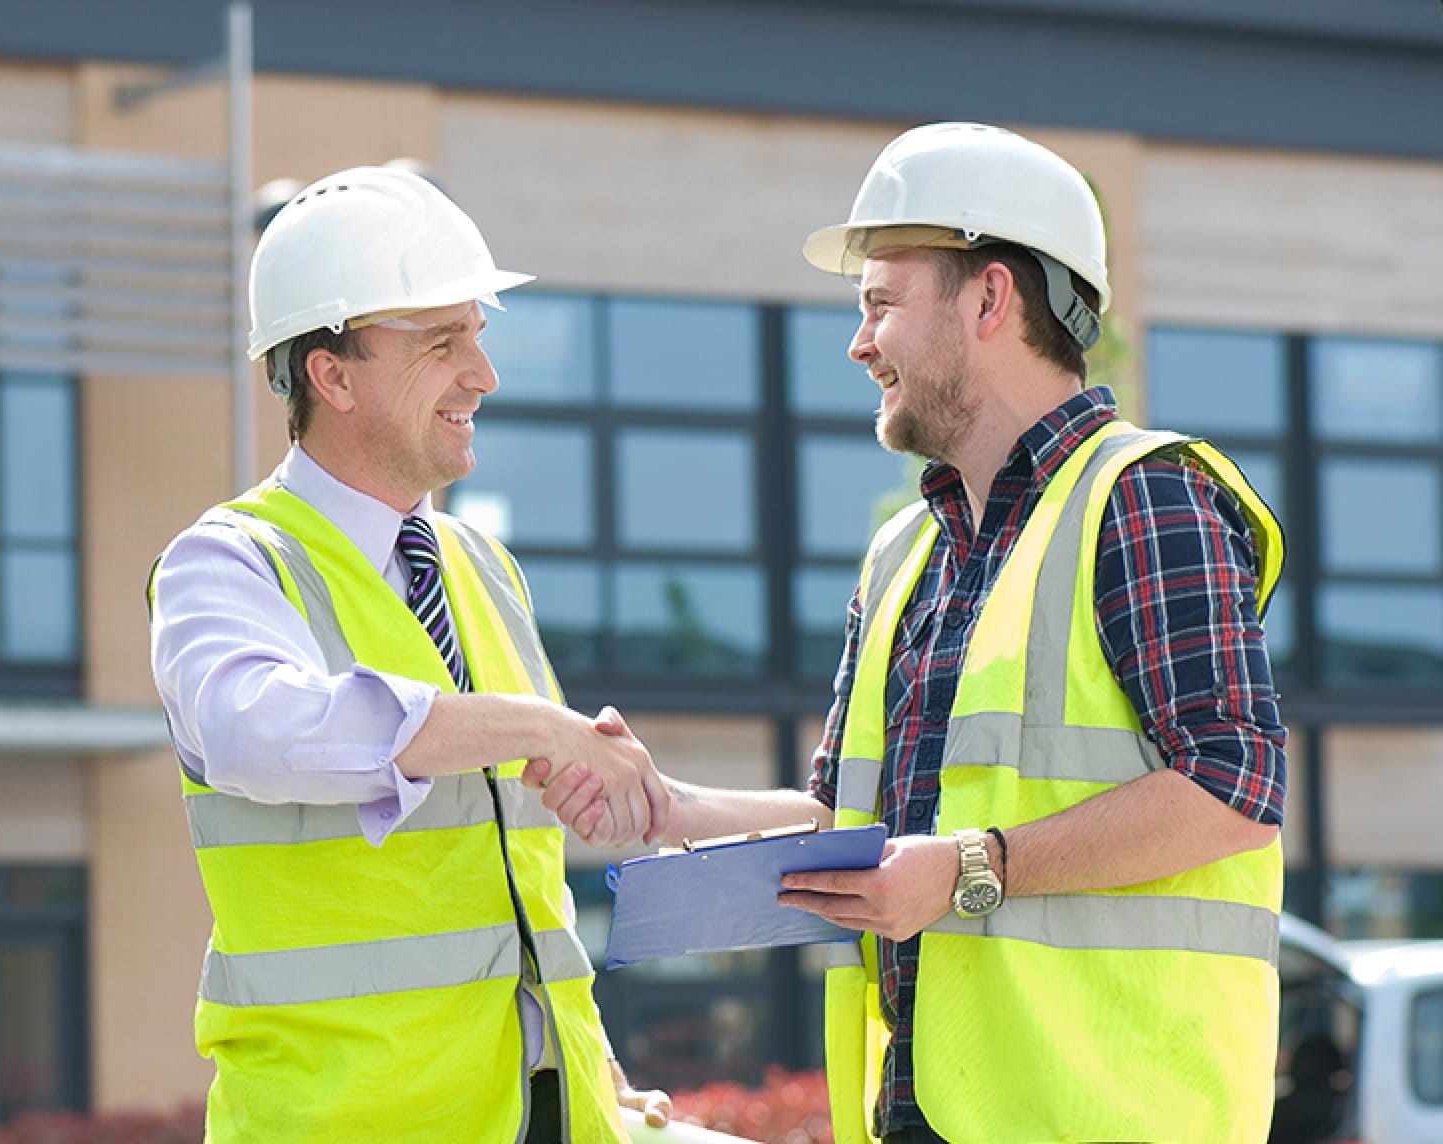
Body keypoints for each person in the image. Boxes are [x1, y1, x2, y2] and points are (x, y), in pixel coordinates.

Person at [532, 123, 1287, 1143]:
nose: (858, 342)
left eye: (881, 304)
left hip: (1113, 1118)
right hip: (928, 1111)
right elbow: (853, 826)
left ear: (989, 299)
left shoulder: (1147, 497)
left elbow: (1233, 787)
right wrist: (670, 805)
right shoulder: (905, 555)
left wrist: (973, 865)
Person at [148, 165, 671, 1142]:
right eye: (443, 343)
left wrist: (588, 1069)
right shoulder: (226, 565)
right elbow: (257, 732)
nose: (484, 372)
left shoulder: (483, 567)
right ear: (332, 374)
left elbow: (520, 878)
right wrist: (539, 727)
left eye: (479, 333)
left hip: (544, 1115)